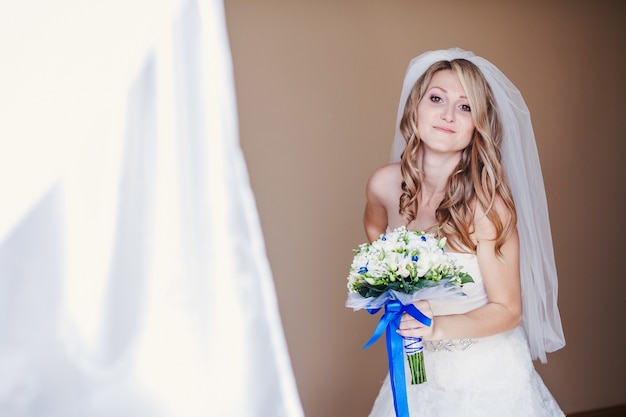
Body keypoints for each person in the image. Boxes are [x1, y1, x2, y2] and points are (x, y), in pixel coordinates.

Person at [362, 49, 566, 417]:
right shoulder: (383, 185)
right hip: (416, 373)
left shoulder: (487, 208)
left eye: (465, 106)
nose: (447, 114)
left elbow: (508, 310)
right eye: (436, 98)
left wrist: (434, 326)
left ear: (479, 124)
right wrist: (392, 293)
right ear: (415, 109)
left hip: (485, 382)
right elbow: (376, 240)